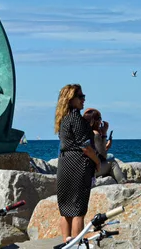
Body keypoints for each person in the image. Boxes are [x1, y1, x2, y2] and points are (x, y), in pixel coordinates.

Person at [55, 85, 100, 242]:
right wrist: (97, 162)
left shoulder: (63, 119)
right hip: (78, 164)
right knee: (78, 209)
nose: (84, 99)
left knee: (66, 209)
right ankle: (77, 244)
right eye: (80, 96)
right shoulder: (76, 118)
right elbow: (85, 147)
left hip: (64, 163)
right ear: (71, 99)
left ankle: (66, 242)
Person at [83, 108, 124, 183]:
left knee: (110, 156)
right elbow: (103, 156)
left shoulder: (83, 132)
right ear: (94, 121)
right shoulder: (95, 134)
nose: (100, 121)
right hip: (90, 171)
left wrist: (106, 146)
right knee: (112, 162)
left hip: (82, 168)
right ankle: (123, 182)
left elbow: (97, 152)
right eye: (99, 118)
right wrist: (104, 134)